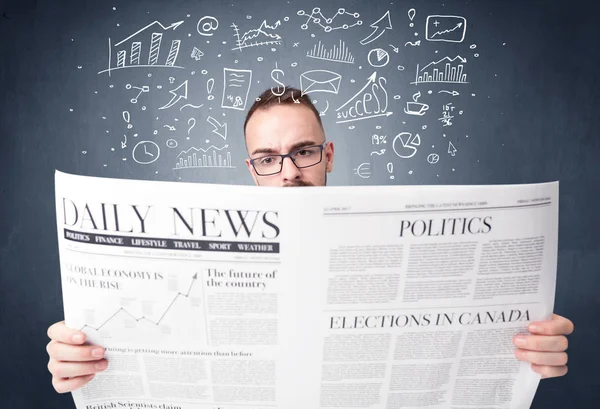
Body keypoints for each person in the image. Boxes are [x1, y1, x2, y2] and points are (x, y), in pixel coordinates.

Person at [46, 86, 574, 393]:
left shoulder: (396, 252)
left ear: (329, 156)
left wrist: (528, 354)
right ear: (252, 169)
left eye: (303, 152)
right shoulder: (190, 270)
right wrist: (85, 359)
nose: (289, 174)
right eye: (268, 159)